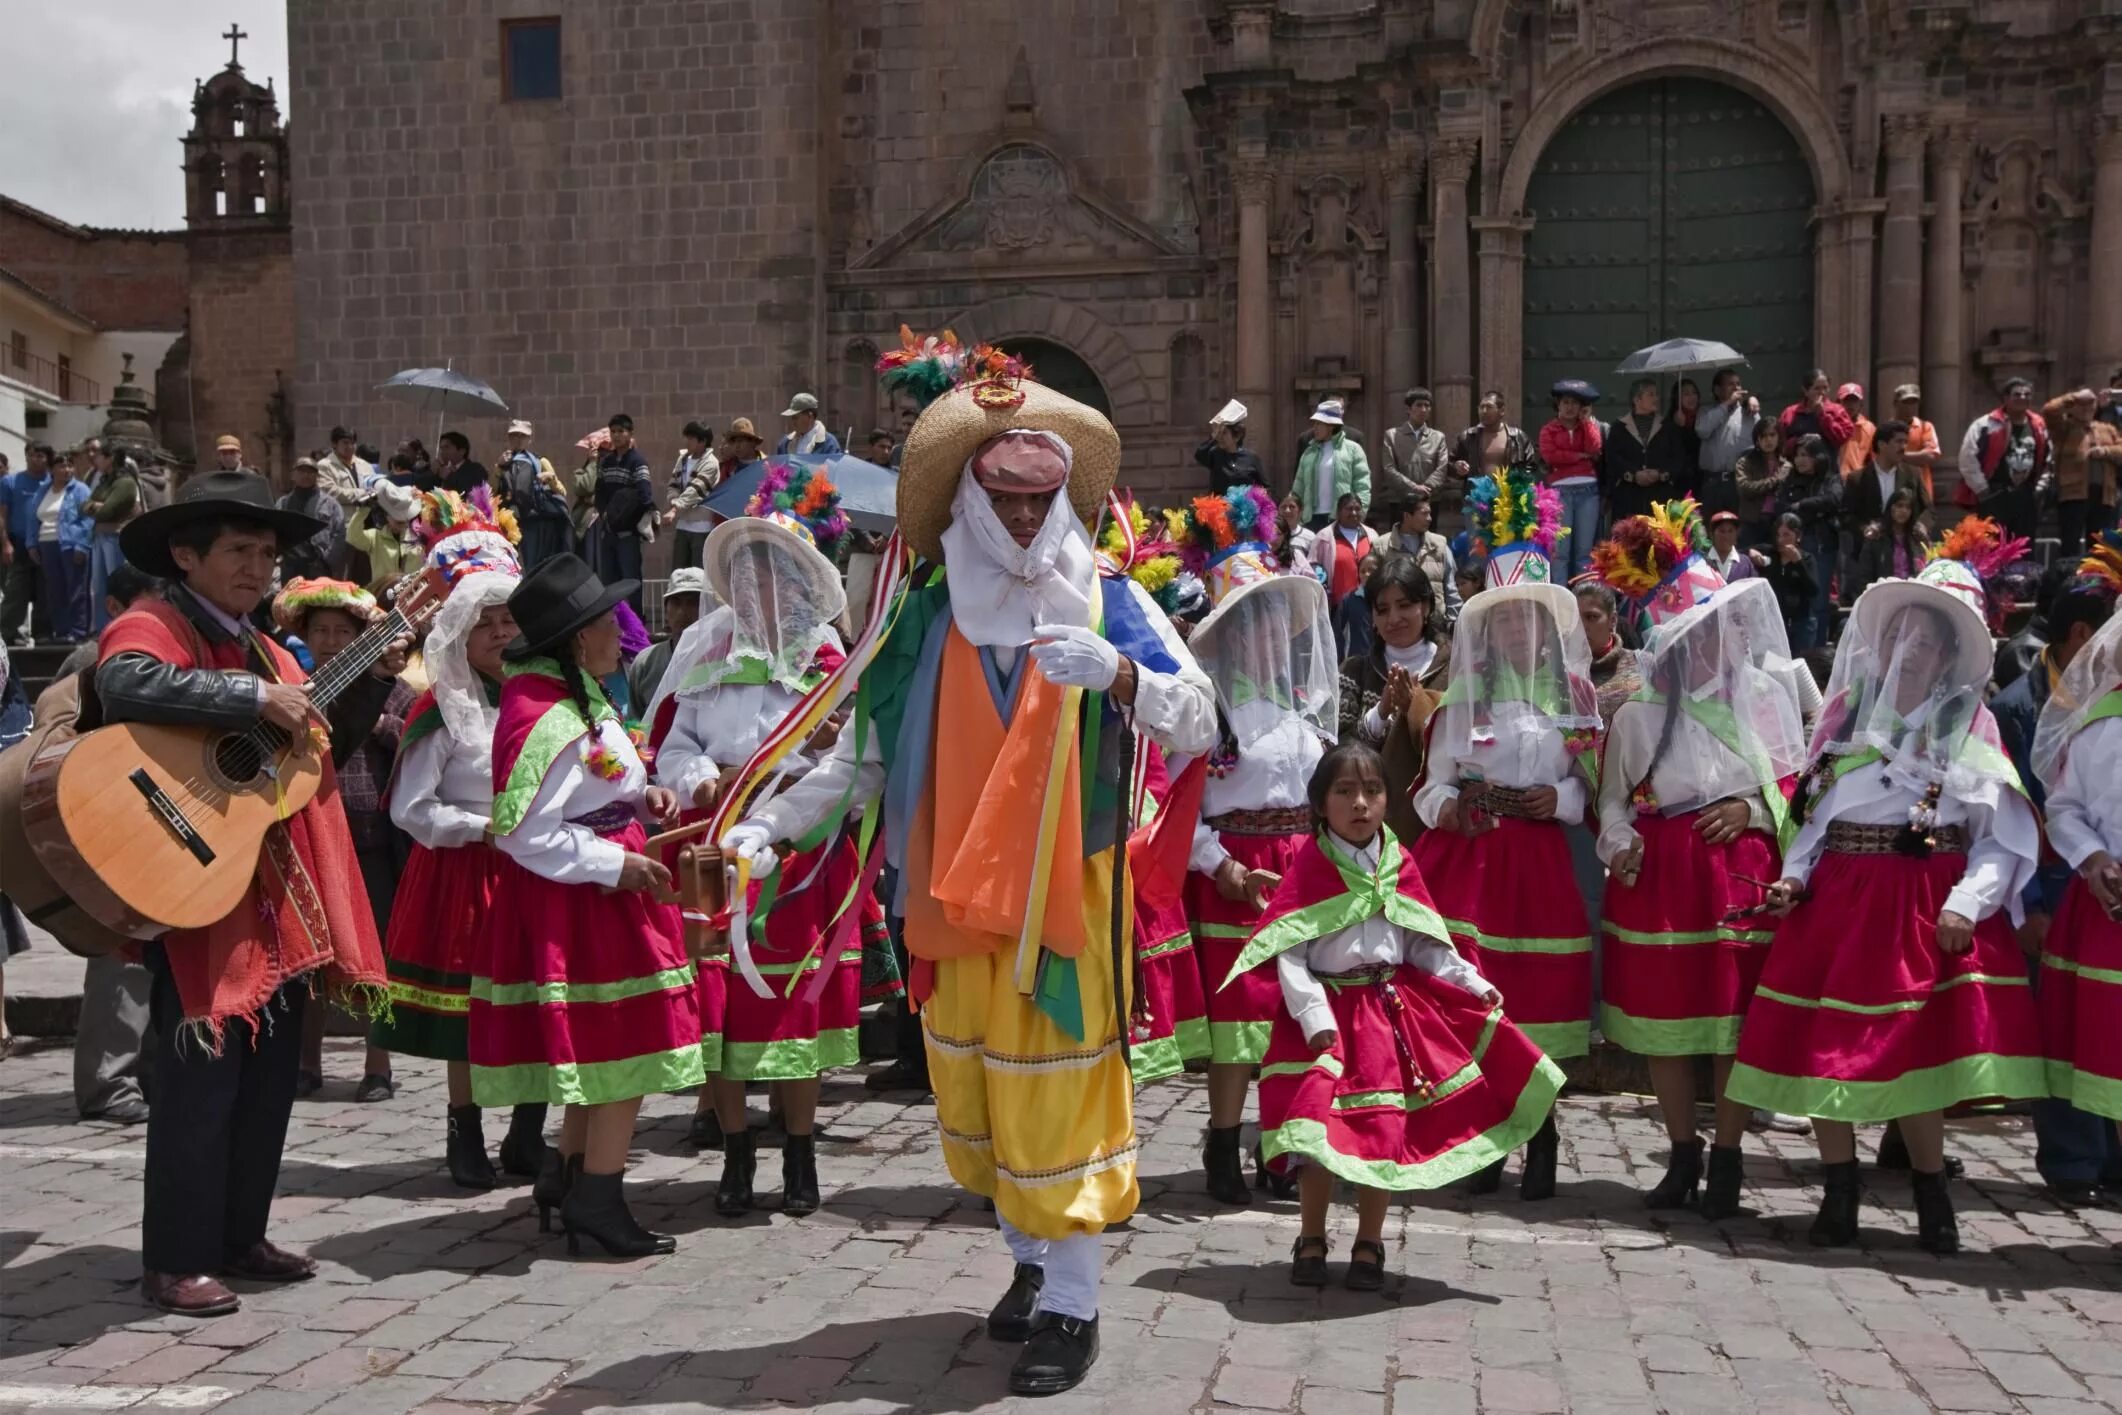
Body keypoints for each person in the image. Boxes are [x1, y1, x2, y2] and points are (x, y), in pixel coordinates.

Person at [721, 369, 1217, 1396]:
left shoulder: (1108, 600)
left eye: (1044, 497)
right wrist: (770, 822)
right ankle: (1032, 1264)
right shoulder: (925, 613)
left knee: (1063, 1088)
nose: (1027, 514)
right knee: (980, 1089)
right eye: (1008, 497)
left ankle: (1073, 1302)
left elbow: (1205, 719)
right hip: (948, 893)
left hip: (1063, 896)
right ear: (970, 501)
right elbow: (861, 756)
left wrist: (1124, 677)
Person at [100, 471, 390, 1315]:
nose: (259, 566)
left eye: (267, 552)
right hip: (191, 879)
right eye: (239, 550)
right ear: (185, 555)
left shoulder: (269, 649)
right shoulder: (152, 621)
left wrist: (367, 676)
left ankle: (238, 1235)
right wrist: (249, 694)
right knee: (201, 1078)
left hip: (267, 885)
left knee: (265, 1079)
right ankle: (175, 1256)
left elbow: (314, 746)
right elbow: (124, 684)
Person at [1728, 521, 2048, 1253]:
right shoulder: (1844, 720)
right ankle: (1839, 1192)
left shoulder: (1969, 726)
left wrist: (1969, 902)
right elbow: (1813, 819)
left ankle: (1932, 1194)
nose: (1910, 652)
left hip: (1917, 897)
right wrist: (1792, 878)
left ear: (1946, 658)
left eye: (1926, 642)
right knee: (1822, 1043)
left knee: (1909, 1049)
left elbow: (1998, 833)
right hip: (1838, 896)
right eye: (1900, 636)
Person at [1242, 742, 1564, 1288]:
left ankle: (1370, 1241)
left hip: (1385, 1018)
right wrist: (1314, 1016)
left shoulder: (1400, 864)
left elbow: (1424, 945)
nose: (1360, 803)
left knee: (1383, 1129)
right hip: (1324, 1022)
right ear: (1321, 804)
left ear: (1388, 801)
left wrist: (1471, 980)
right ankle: (1312, 1237)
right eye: (1344, 792)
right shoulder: (1309, 867)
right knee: (1317, 1135)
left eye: (1372, 791)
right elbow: (1289, 954)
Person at [651, 468, 872, 1217]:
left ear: (802, 587)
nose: (755, 589)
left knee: (789, 1003)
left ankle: (801, 1151)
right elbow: (670, 748)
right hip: (716, 849)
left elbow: (852, 767)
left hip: (798, 854)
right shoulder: (706, 657)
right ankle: (738, 1149)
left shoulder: (828, 667)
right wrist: (700, 777)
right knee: (721, 1004)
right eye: (746, 574)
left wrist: (800, 777)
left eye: (771, 575)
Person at [474, 553, 704, 1256]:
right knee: (623, 1046)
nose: (624, 634)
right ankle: (599, 1195)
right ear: (578, 638)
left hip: (600, 889)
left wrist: (644, 794)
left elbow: (603, 774)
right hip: (587, 900)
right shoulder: (547, 716)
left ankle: (570, 1176)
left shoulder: (575, 693)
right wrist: (617, 863)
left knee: (595, 1047)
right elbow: (523, 830)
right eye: (610, 623)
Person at [1595, 561, 1804, 1218]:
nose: (1718, 640)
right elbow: (1610, 806)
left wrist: (1755, 812)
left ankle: (1731, 1158)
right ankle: (1682, 1152)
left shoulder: (1769, 699)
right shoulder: (1640, 716)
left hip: (1741, 875)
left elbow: (1800, 792)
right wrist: (1622, 843)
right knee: (1673, 1028)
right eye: (1700, 631)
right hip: (1667, 885)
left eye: (1723, 626)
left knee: (1733, 1029)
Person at [1412, 473, 1595, 1198]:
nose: (1518, 631)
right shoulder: (1463, 698)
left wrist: (1564, 798)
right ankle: (1487, 1137)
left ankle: (1543, 1136)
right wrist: (1449, 809)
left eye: (1528, 619)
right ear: (1487, 629)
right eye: (1505, 620)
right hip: (1475, 867)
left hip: (1541, 864)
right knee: (1483, 1000)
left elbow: (1594, 787)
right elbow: (1428, 787)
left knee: (1539, 1001)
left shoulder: (1576, 699)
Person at [1168, 491, 1339, 1207]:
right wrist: (1224, 866)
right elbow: (1182, 812)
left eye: (1272, 626)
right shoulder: (1207, 712)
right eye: (1249, 627)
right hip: (1235, 872)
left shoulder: (1303, 712)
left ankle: (1282, 1143)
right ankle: (1221, 1138)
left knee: (1292, 1014)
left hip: (1296, 871)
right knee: (1240, 1015)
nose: (1264, 640)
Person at [2004, 558, 2121, 1203]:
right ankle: (2079, 1163)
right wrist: (2095, 858)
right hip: (2104, 908)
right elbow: (2062, 808)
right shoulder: (2098, 727)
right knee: (2099, 1046)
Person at [271, 577, 412, 1103]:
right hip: (310, 836)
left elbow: (414, 741)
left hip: (372, 835)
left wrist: (380, 724)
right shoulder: (294, 688)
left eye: (340, 632)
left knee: (377, 955)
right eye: (320, 631)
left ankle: (378, 1067)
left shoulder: (390, 685)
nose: (329, 641)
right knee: (310, 958)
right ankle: (307, 1063)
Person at [62, 564, 164, 1122]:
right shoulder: (91, 659)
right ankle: (107, 1085)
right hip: (112, 825)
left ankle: (146, 1076)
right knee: (117, 959)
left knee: (152, 960)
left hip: (168, 825)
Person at [1338, 555, 1451, 846]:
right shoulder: (1356, 671)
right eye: (1383, 610)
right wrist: (1381, 711)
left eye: (1404, 606)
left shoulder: (1456, 668)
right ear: (1372, 618)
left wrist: (1417, 705)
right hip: (1369, 831)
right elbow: (1336, 749)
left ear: (1425, 607)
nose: (1394, 619)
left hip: (1442, 827)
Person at [1959, 378, 2049, 541]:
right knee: (1992, 548)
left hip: (2026, 497)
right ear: (2005, 398)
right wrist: (1982, 490)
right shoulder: (1986, 424)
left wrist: (2039, 488)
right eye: (2017, 394)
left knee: (2025, 549)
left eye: (2027, 394)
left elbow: (2048, 460)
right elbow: (1967, 457)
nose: (2022, 398)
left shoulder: (2039, 425)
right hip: (1994, 495)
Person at [1778, 434, 1842, 650]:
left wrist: (1802, 505)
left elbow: (1833, 500)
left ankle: (1818, 653)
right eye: (1797, 455)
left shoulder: (1830, 479)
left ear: (1818, 457)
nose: (1799, 460)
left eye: (1805, 455)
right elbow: (1783, 508)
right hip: (1794, 547)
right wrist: (1816, 510)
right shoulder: (1790, 481)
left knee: (1819, 603)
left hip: (1822, 545)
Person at [1537, 379, 1604, 583]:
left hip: (1588, 491)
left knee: (1584, 551)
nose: (1569, 407)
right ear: (1558, 404)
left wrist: (1586, 422)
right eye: (1565, 402)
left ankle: (1583, 599)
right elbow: (1551, 456)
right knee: (1561, 552)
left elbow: (1595, 448)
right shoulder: (1549, 430)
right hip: (1560, 492)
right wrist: (1579, 457)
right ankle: (1560, 600)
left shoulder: (1587, 426)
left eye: (1575, 403)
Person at [2045, 389, 2122, 557]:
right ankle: (2067, 579)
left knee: (2100, 544)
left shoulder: (2107, 429)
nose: (2086, 408)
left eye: (2090, 404)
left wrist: (2106, 451)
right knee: (2070, 542)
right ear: (2073, 407)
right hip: (2073, 494)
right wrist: (2073, 396)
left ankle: (2097, 579)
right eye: (2082, 404)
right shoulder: (2063, 428)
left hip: (2104, 495)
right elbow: (2049, 411)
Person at [1603, 377, 1687, 523]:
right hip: (1629, 499)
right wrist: (1634, 474)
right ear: (1637, 400)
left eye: (1656, 394)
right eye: (1651, 394)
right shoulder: (1619, 428)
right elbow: (1613, 458)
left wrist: (1660, 473)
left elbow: (1678, 459)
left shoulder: (1667, 426)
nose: (1656, 398)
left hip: (1660, 498)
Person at [625, 567, 707, 709]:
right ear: (666, 610)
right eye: (676, 602)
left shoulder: (724, 661)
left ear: (708, 608)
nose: (683, 612)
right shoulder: (645, 663)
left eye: (693, 602)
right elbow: (636, 724)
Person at [495, 421, 571, 571]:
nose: (517, 439)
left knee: (532, 565)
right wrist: (499, 467)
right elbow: (493, 490)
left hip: (532, 520)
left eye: (522, 436)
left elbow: (562, 492)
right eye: (514, 435)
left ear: (529, 439)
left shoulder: (540, 461)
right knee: (507, 564)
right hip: (508, 520)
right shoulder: (503, 462)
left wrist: (551, 478)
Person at [34, 451, 93, 642]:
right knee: (54, 590)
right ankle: (61, 631)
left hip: (71, 545)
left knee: (76, 589)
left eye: (70, 466)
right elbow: (32, 517)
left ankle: (78, 631)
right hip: (46, 544)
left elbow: (88, 519)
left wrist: (82, 545)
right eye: (61, 466)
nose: (67, 470)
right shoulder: (43, 490)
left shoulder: (81, 490)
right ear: (52, 470)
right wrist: (31, 544)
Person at [1385, 486, 1460, 627]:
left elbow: (1451, 587)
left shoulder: (1440, 545)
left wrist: (1453, 622)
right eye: (1424, 514)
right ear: (1407, 516)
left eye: (1430, 514)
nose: (1430, 519)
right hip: (1397, 625)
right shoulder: (1383, 547)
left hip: (1435, 625)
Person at [1, 444, 53, 646]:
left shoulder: (52, 481)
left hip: (46, 542)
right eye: (32, 455)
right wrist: (5, 543)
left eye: (40, 456)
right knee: (15, 591)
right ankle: (5, 632)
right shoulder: (10, 481)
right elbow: (2, 515)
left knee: (44, 591)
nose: (36, 460)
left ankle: (42, 633)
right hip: (18, 543)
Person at [83, 446, 138, 631]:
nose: (95, 460)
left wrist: (95, 507)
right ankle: (102, 628)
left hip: (115, 537)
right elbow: (82, 505)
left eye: (99, 456)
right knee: (99, 588)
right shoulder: (104, 482)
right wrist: (95, 506)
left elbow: (108, 510)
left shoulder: (125, 483)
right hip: (99, 536)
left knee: (119, 584)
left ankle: (124, 626)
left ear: (110, 458)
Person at [1295, 398, 1371, 530]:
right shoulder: (1309, 452)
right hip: (1311, 520)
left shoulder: (1353, 449)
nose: (1315, 428)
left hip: (1342, 518)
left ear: (1331, 426)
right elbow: (1298, 487)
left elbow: (1362, 485)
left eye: (1319, 424)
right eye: (1314, 424)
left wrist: (1359, 514)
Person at [1377, 387, 1449, 525]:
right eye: (1419, 405)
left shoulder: (1438, 437)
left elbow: (1442, 467)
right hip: (1400, 500)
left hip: (1429, 501)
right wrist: (1413, 488)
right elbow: (1389, 468)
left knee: (1428, 543)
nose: (1423, 409)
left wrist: (1425, 489)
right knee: (1400, 543)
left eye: (1427, 405)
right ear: (1408, 409)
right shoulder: (1392, 436)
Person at [342, 480, 426, 595]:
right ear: (387, 517)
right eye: (398, 522)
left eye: (406, 521)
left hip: (413, 593)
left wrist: (425, 501)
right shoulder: (375, 537)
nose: (404, 525)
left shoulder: (418, 536)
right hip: (383, 594)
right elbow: (352, 536)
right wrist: (363, 510)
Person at [1695, 369, 1760, 514]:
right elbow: (1702, 431)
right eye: (1730, 384)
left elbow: (1761, 441)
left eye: (1738, 384)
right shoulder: (1706, 412)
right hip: (1713, 482)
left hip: (1739, 481)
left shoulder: (1749, 412)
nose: (1737, 388)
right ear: (1717, 390)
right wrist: (1726, 404)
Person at [1575, 581, 1641, 723]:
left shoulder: (1640, 666)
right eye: (1576, 618)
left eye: (1591, 617)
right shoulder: (1559, 670)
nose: (1582, 626)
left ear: (1612, 620)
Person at [276, 456, 347, 583]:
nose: (306, 475)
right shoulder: (282, 504)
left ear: (317, 476)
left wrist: (327, 560)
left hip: (318, 567)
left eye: (310, 472)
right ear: (293, 475)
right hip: (290, 567)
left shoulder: (330, 504)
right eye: (301, 471)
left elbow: (339, 533)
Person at [664, 420, 721, 570]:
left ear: (702, 441)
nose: (687, 442)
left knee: (698, 576)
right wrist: (673, 499)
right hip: (683, 524)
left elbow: (695, 489)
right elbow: (673, 483)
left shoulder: (711, 463)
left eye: (691, 439)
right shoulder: (682, 459)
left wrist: (675, 509)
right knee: (678, 572)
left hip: (701, 526)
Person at [1852, 487, 1931, 596]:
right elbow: (1865, 574)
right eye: (1899, 506)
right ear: (1891, 508)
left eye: (1908, 507)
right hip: (1885, 594)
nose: (1903, 511)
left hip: (1913, 593)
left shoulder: (1918, 536)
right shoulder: (1876, 537)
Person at [1320, 492, 1373, 652]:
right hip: (1336, 607)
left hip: (1367, 605)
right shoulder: (1324, 538)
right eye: (1349, 509)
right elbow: (1316, 570)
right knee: (1340, 649)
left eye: (1358, 508)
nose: (1354, 513)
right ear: (1338, 512)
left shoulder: (1372, 536)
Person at [1756, 513, 1820, 644]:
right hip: (1775, 623)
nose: (1781, 540)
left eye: (1786, 535)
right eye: (1778, 535)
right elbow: (1740, 551)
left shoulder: (1807, 559)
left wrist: (1798, 562)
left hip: (1802, 623)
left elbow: (1814, 590)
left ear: (1798, 536)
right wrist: (1752, 553)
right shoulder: (1770, 553)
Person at [1451, 389, 1536, 487]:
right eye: (1481, 407)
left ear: (1502, 410)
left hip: (1508, 497)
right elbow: (1450, 464)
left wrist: (1519, 484)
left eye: (1489, 407)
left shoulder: (1518, 437)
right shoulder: (1468, 437)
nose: (1484, 411)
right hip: (1476, 496)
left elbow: (1530, 466)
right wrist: (1457, 467)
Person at [1731, 417, 1789, 547]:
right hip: (1751, 522)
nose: (1768, 440)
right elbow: (1744, 488)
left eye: (1772, 435)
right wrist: (1774, 480)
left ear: (1779, 437)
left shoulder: (1786, 465)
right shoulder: (1745, 462)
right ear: (1757, 440)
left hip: (1777, 523)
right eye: (1763, 436)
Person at [1193, 397, 1267, 494]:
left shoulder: (1251, 458)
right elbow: (1199, 455)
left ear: (1237, 436)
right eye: (1220, 433)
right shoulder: (1215, 454)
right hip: (1220, 507)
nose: (1220, 437)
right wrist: (1214, 436)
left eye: (1224, 433)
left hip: (1244, 508)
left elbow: (1264, 486)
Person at [1777, 369, 1854, 452]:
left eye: (1825, 388)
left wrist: (1823, 415)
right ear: (1806, 391)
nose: (1822, 392)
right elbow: (1780, 441)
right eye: (1816, 388)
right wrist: (1798, 441)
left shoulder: (1837, 411)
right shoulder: (1790, 413)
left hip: (1827, 463)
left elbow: (1842, 438)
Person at [1892, 385, 1942, 503]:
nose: (1910, 407)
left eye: (1914, 402)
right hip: (1894, 492)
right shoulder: (1886, 429)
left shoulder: (1925, 427)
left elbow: (1930, 456)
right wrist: (1918, 456)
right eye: (1906, 402)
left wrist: (1901, 455)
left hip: (1921, 492)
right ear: (1895, 403)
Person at [320, 427, 375, 509]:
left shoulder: (365, 465)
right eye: (345, 443)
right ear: (334, 444)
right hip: (342, 520)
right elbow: (331, 492)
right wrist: (361, 493)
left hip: (365, 519)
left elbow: (374, 489)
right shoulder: (324, 466)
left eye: (353, 443)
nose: (350, 446)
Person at [776, 392, 843, 456]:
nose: (793, 422)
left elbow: (834, 467)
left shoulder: (828, 443)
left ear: (810, 416)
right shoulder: (785, 443)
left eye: (795, 417)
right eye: (792, 418)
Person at [1702, 510, 1757, 584]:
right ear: (1712, 534)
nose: (1726, 536)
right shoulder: (1702, 562)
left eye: (1730, 531)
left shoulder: (1746, 563)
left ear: (1736, 534)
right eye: (1722, 531)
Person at [1834, 384, 1876, 477]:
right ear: (1838, 403)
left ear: (1861, 404)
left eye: (1854, 401)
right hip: (1833, 480)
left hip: (1857, 481)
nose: (1850, 405)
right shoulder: (1831, 424)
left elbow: (1874, 459)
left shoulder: (1869, 428)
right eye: (1846, 400)